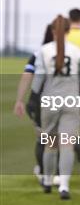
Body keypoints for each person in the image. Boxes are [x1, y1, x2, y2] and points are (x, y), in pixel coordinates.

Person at [31, 15, 80, 199]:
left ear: (53, 30)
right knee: (67, 145)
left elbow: (38, 79)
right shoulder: (77, 51)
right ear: (68, 31)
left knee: (50, 145)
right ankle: (64, 185)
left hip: (49, 101)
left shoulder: (44, 51)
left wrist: (32, 99)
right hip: (71, 101)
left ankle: (46, 180)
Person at [13, 24, 53, 185]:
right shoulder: (70, 52)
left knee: (43, 138)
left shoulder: (38, 54)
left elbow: (27, 75)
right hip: (61, 100)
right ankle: (57, 174)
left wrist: (20, 100)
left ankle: (44, 173)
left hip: (38, 100)